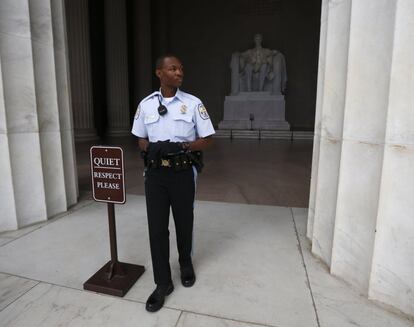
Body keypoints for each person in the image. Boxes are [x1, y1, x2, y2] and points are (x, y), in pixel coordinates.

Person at [131, 54, 215, 312]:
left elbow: (208, 138)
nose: (179, 72)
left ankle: (185, 263)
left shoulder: (192, 104)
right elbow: (139, 138)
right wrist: (151, 148)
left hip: (182, 172)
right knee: (157, 229)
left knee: (183, 222)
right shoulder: (146, 105)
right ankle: (162, 283)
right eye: (172, 68)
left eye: (180, 68)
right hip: (155, 175)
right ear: (159, 73)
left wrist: (183, 145)